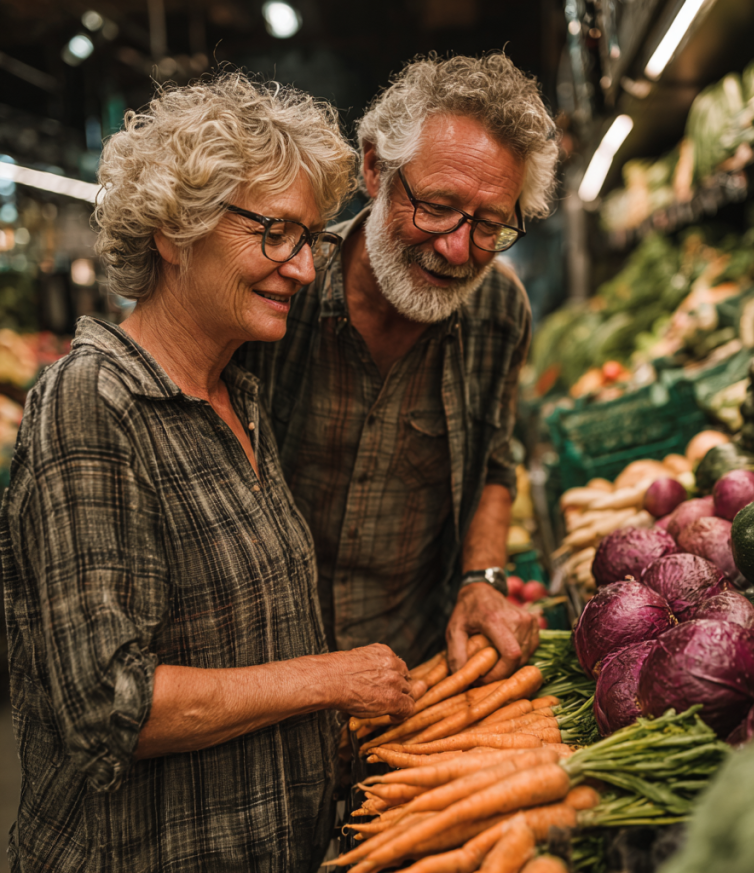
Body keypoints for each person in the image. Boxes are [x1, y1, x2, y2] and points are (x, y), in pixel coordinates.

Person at [0, 73, 415, 873]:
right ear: (173, 227)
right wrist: (328, 679)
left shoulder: (239, 398)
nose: (301, 269)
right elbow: (109, 702)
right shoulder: (94, 402)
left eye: (312, 240)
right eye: (275, 232)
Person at [241, 54, 560, 683]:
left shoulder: (498, 311)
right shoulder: (281, 292)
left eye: (491, 224)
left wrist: (482, 577)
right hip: (268, 675)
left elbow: (495, 459)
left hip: (414, 673)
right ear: (373, 168)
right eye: (437, 206)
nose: (458, 248)